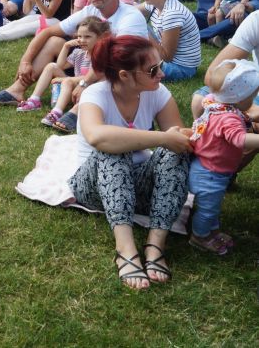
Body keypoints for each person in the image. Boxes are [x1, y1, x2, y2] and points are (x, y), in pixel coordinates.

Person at [68, 35, 191, 290]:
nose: (161, 74)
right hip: (94, 187)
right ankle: (125, 250)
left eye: (160, 66)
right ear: (124, 75)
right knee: (113, 146)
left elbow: (176, 137)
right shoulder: (95, 95)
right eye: (153, 70)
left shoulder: (157, 92)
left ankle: (155, 246)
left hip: (139, 190)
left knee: (175, 152)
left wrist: (188, 136)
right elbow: (97, 136)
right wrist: (161, 138)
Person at [0, 0, 148, 107]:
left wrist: (83, 82)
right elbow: (47, 32)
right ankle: (17, 90)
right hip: (88, 66)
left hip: (117, 72)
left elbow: (119, 58)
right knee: (54, 41)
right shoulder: (90, 10)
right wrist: (25, 61)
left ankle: (81, 107)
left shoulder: (130, 17)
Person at [188, 60, 259, 255]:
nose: (253, 101)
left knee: (213, 205)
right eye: (252, 97)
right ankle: (199, 237)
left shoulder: (216, 102)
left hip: (209, 167)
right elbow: (239, 139)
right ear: (239, 97)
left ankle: (212, 232)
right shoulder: (228, 117)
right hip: (210, 173)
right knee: (208, 209)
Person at [17, 16, 110, 118]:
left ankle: (56, 112)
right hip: (74, 87)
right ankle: (34, 100)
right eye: (79, 36)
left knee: (67, 82)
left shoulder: (101, 56)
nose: (82, 40)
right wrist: (66, 47)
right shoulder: (78, 53)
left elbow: (91, 77)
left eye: (87, 37)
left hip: (88, 89)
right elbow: (60, 66)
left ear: (100, 37)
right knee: (51, 66)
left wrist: (64, 79)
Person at [136, 0, 201, 81]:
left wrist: (143, 33)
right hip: (166, 57)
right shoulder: (155, 3)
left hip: (180, 68)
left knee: (129, 64)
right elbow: (131, 12)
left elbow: (167, 56)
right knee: (134, 21)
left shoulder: (172, 14)